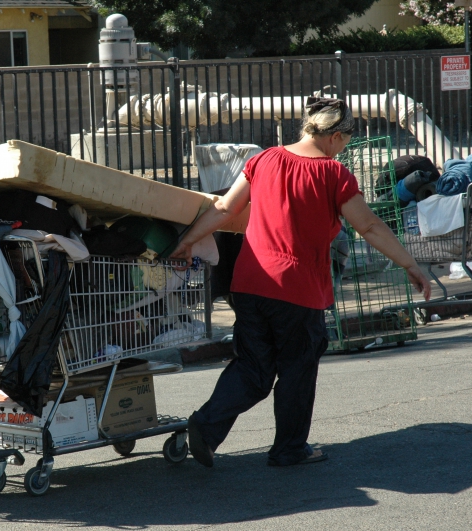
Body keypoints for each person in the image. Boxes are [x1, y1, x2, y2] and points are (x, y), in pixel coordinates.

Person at [170, 97, 431, 468]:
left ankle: (206, 425)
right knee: (297, 367)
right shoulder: (333, 174)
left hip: (250, 283)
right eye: (345, 141)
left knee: (253, 368)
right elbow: (369, 225)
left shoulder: (263, 159)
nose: (342, 149)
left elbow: (224, 208)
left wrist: (185, 242)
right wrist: (409, 264)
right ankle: (289, 449)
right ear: (335, 136)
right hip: (298, 289)